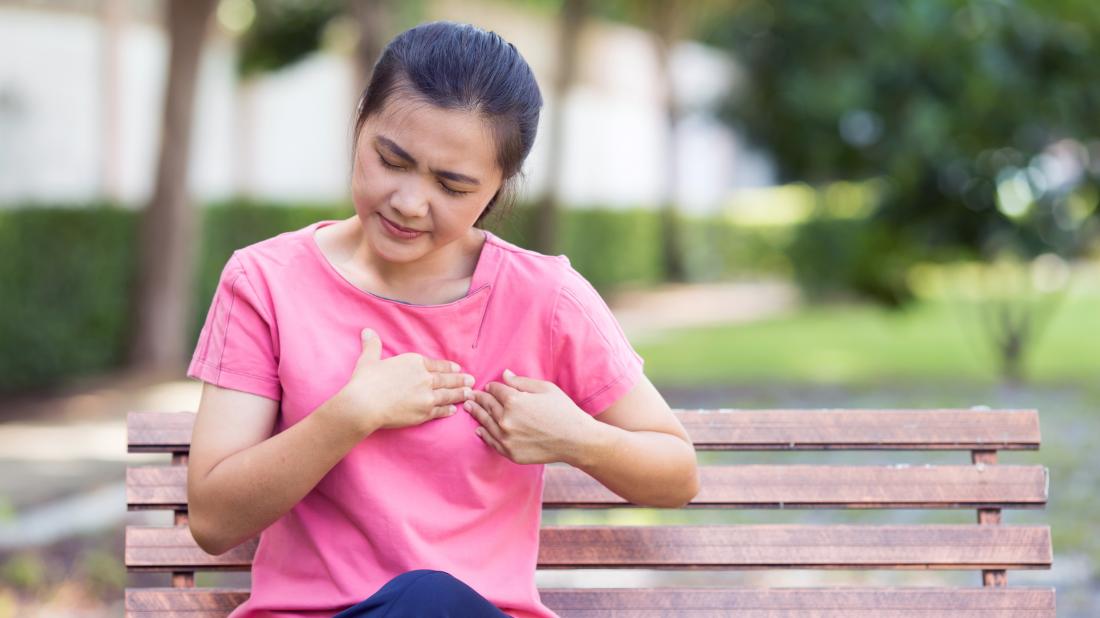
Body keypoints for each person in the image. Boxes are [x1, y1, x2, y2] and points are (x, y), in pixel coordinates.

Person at [185, 20, 699, 618]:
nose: (408, 202)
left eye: (452, 186)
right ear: (360, 122)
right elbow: (214, 521)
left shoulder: (546, 298)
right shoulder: (267, 282)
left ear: (500, 186)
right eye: (390, 159)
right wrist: (351, 414)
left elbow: (676, 473)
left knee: (432, 599)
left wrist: (575, 438)